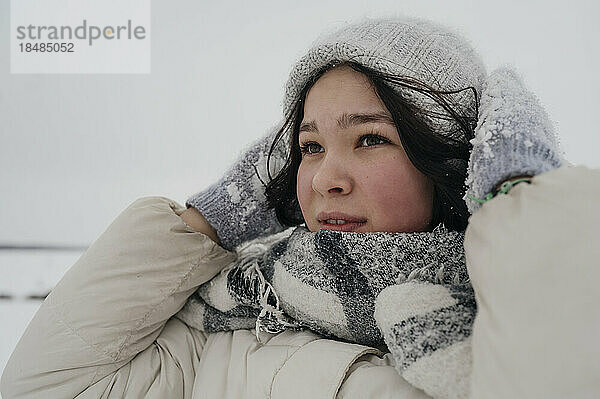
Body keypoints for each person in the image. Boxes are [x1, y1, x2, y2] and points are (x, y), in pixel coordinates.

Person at [2, 15, 599, 399]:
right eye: (309, 147)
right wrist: (214, 215)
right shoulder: (232, 315)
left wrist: (521, 193)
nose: (325, 179)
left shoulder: (501, 334)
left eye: (370, 139)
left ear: (450, 158)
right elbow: (46, 387)